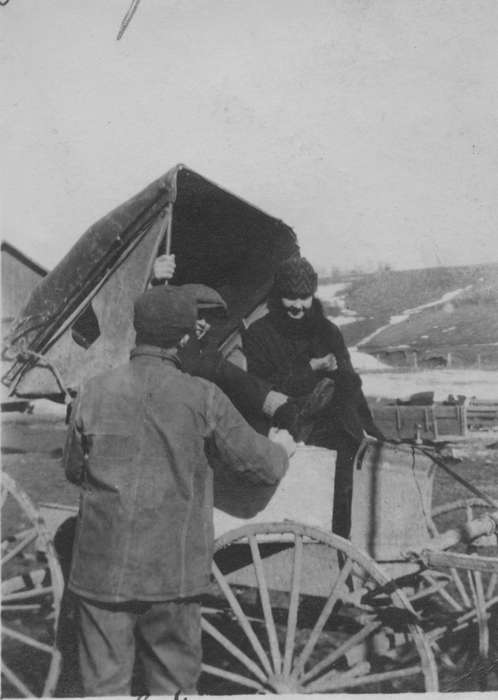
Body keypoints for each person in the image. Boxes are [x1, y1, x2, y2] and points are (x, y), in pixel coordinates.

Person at [62, 284, 296, 696]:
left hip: (100, 573)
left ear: (138, 331)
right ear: (186, 337)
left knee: (102, 689)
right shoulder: (203, 397)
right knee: (174, 688)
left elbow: (74, 469)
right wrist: (283, 448)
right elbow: (264, 465)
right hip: (172, 576)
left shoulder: (93, 392)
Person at [241, 255, 384, 538]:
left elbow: (351, 385)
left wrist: (372, 430)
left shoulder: (328, 331)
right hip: (288, 428)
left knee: (349, 486)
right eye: (290, 297)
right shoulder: (259, 334)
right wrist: (311, 368)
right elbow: (263, 390)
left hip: (336, 429)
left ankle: (345, 546)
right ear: (278, 295)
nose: (297, 305)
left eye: (304, 297)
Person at [152, 254, 337, 440]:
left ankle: (285, 415)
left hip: (203, 397)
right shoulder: (165, 335)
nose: (203, 324)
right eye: (197, 316)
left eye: (209, 319)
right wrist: (154, 279)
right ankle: (285, 409)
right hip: (168, 393)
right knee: (217, 368)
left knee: (234, 393)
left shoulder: (202, 346)